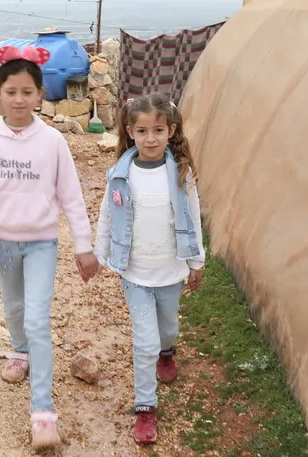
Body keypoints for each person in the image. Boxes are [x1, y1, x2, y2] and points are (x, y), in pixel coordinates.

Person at [0, 44, 101, 449]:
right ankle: (19, 351)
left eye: (28, 92)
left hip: (42, 241)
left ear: (40, 94)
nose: (19, 99)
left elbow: (71, 196)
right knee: (16, 307)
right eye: (11, 92)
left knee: (38, 317)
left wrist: (84, 244)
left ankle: (42, 410)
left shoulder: (53, 141)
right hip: (3, 243)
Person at [94, 92, 206, 445]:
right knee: (144, 341)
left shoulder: (181, 175)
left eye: (159, 130)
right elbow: (106, 216)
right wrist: (100, 255)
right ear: (130, 132)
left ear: (171, 130)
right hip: (136, 275)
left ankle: (168, 353)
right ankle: (145, 407)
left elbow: (194, 218)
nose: (151, 138)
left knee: (167, 331)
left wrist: (196, 261)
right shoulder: (120, 175)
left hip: (170, 272)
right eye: (142, 131)